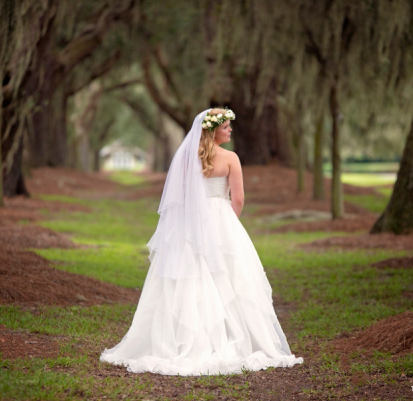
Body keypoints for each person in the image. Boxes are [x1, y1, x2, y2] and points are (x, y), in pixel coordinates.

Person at [100, 108, 304, 376]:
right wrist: (228, 226)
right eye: (227, 127)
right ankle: (235, 335)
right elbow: (238, 200)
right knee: (230, 278)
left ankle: (182, 339)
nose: (231, 130)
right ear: (213, 130)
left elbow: (180, 196)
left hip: (190, 224)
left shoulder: (187, 158)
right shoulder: (231, 158)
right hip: (222, 220)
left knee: (189, 278)